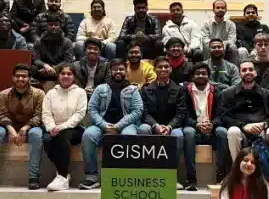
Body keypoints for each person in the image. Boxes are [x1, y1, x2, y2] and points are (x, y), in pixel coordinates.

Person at [0, 64, 45, 190]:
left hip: (31, 127)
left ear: (29, 78)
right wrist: (11, 129)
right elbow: (2, 115)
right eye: (17, 76)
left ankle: (34, 177)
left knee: (36, 134)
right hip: (9, 127)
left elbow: (38, 116)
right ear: (12, 78)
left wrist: (25, 128)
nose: (20, 79)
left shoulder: (39, 94)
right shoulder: (4, 94)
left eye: (24, 76)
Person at [80, 58, 144, 189]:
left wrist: (118, 126)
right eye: (115, 69)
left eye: (121, 69)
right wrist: (104, 125)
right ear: (110, 71)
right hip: (102, 125)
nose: (118, 71)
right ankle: (92, 176)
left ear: (126, 71)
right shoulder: (100, 88)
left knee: (129, 136)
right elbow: (92, 108)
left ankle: (125, 176)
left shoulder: (133, 90)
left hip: (126, 125)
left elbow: (138, 111)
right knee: (88, 135)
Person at [224, 60, 269, 173]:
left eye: (251, 69)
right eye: (244, 70)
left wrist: (264, 124)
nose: (248, 72)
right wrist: (243, 126)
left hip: (262, 131)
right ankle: (237, 172)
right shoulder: (228, 93)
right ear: (239, 73)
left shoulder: (266, 94)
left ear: (255, 73)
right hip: (241, 130)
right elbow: (225, 117)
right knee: (232, 131)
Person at [139, 57, 187, 189]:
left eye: (166, 67)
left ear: (171, 69)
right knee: (143, 129)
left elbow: (181, 113)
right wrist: (155, 126)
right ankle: (145, 175)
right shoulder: (146, 89)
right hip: (152, 125)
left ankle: (172, 176)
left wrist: (170, 126)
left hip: (172, 126)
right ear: (155, 70)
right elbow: (144, 113)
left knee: (178, 135)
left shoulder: (179, 90)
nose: (163, 69)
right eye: (160, 67)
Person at [182, 62, 229, 188]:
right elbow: (183, 114)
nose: (201, 76)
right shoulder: (185, 91)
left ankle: (221, 177)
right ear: (192, 76)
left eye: (204, 73)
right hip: (194, 129)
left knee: (223, 132)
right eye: (198, 73)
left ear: (208, 76)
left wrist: (212, 124)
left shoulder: (217, 91)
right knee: (188, 133)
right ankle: (191, 179)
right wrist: (196, 125)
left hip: (211, 130)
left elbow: (221, 114)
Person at [42, 63, 87, 192]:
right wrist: (51, 127)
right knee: (47, 140)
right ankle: (64, 175)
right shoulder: (51, 93)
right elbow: (46, 113)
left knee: (63, 137)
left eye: (69, 74)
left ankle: (61, 176)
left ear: (74, 77)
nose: (66, 76)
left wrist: (62, 127)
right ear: (58, 76)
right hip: (54, 128)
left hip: (75, 129)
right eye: (63, 73)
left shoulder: (80, 92)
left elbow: (79, 114)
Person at [31, 14, 75, 82]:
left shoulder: (67, 42)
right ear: (47, 26)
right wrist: (45, 65)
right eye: (51, 25)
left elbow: (68, 61)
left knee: (70, 67)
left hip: (59, 70)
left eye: (56, 25)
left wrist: (52, 68)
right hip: (43, 68)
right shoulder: (39, 42)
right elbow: (36, 60)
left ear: (60, 27)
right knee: (32, 68)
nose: (53, 27)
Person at [201, 0, 239, 65]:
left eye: (222, 8)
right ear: (213, 10)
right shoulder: (206, 23)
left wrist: (223, 44)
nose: (220, 9)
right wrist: (215, 45)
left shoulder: (231, 24)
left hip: (226, 48)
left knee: (233, 47)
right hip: (211, 46)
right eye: (218, 7)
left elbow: (232, 40)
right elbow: (204, 39)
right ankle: (207, 67)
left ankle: (234, 69)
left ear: (226, 10)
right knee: (206, 46)